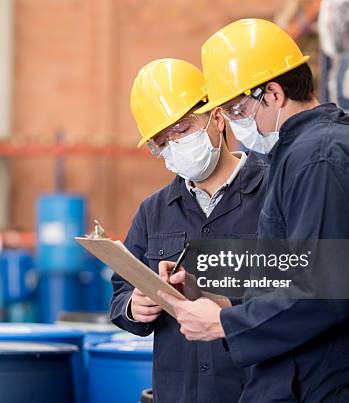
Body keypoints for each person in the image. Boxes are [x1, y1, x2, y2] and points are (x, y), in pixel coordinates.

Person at [158, 19, 349, 402]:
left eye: (237, 110)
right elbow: (293, 268)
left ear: (272, 93)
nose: (236, 126)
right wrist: (213, 289)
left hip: (323, 385)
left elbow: (325, 292)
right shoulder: (298, 153)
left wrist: (224, 323)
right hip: (300, 377)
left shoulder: (318, 159)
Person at [109, 58, 268, 403]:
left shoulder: (274, 193)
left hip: (255, 391)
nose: (174, 146)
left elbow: (300, 289)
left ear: (217, 117)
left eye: (181, 129)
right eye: (162, 142)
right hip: (179, 393)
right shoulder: (153, 211)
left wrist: (223, 302)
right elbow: (121, 292)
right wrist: (135, 307)